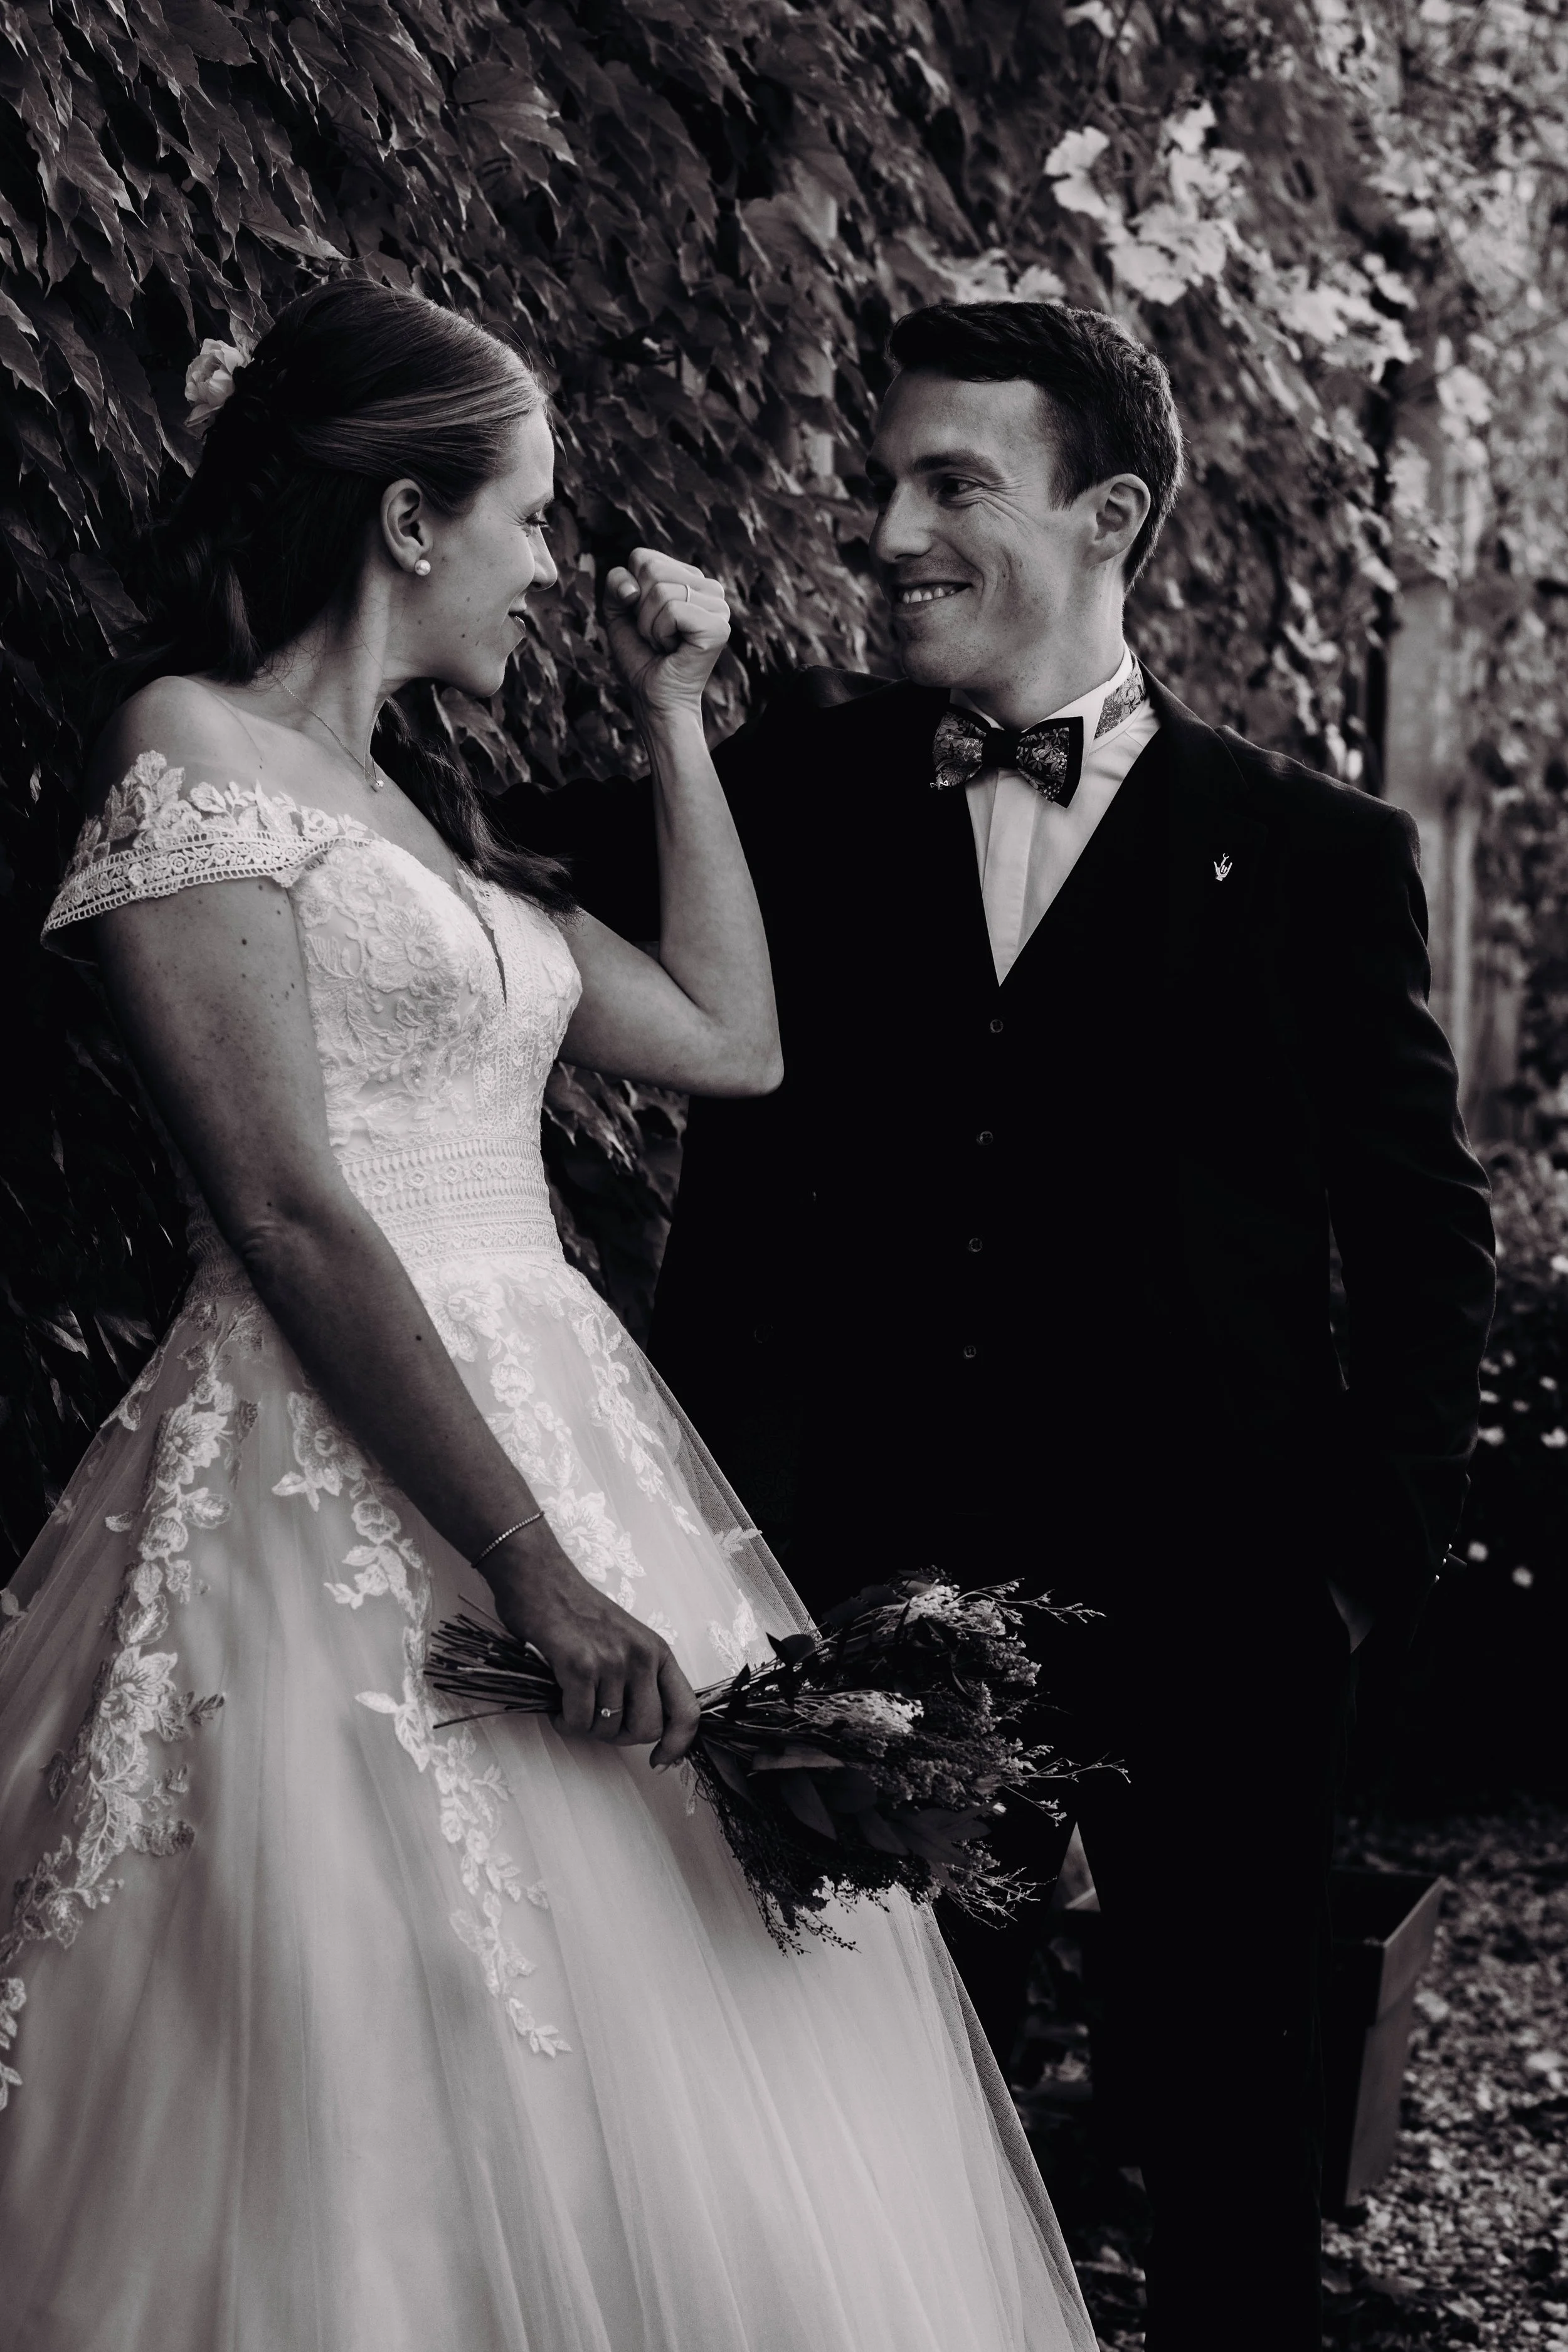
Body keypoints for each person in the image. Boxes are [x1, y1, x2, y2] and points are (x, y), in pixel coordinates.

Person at [0, 281, 1096, 2352]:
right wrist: (530, 1557)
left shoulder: (426, 810)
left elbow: (730, 1038)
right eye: (526, 516)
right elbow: (296, 1210)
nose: (546, 567)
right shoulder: (188, 753)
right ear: (408, 521)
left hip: (564, 1423)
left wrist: (676, 716)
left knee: (646, 2025)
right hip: (339, 1472)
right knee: (346, 1994)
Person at [561, 302, 1497, 2349]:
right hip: (845, 1605)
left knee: (1229, 2114)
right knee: (849, 2110)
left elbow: (1426, 1244)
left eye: (949, 483)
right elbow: (421, 896)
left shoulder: (1314, 857)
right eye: (876, 481)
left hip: (1216, 1606)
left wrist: (1350, 1576)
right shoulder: (780, 794)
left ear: (1112, 513)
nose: (883, 530)